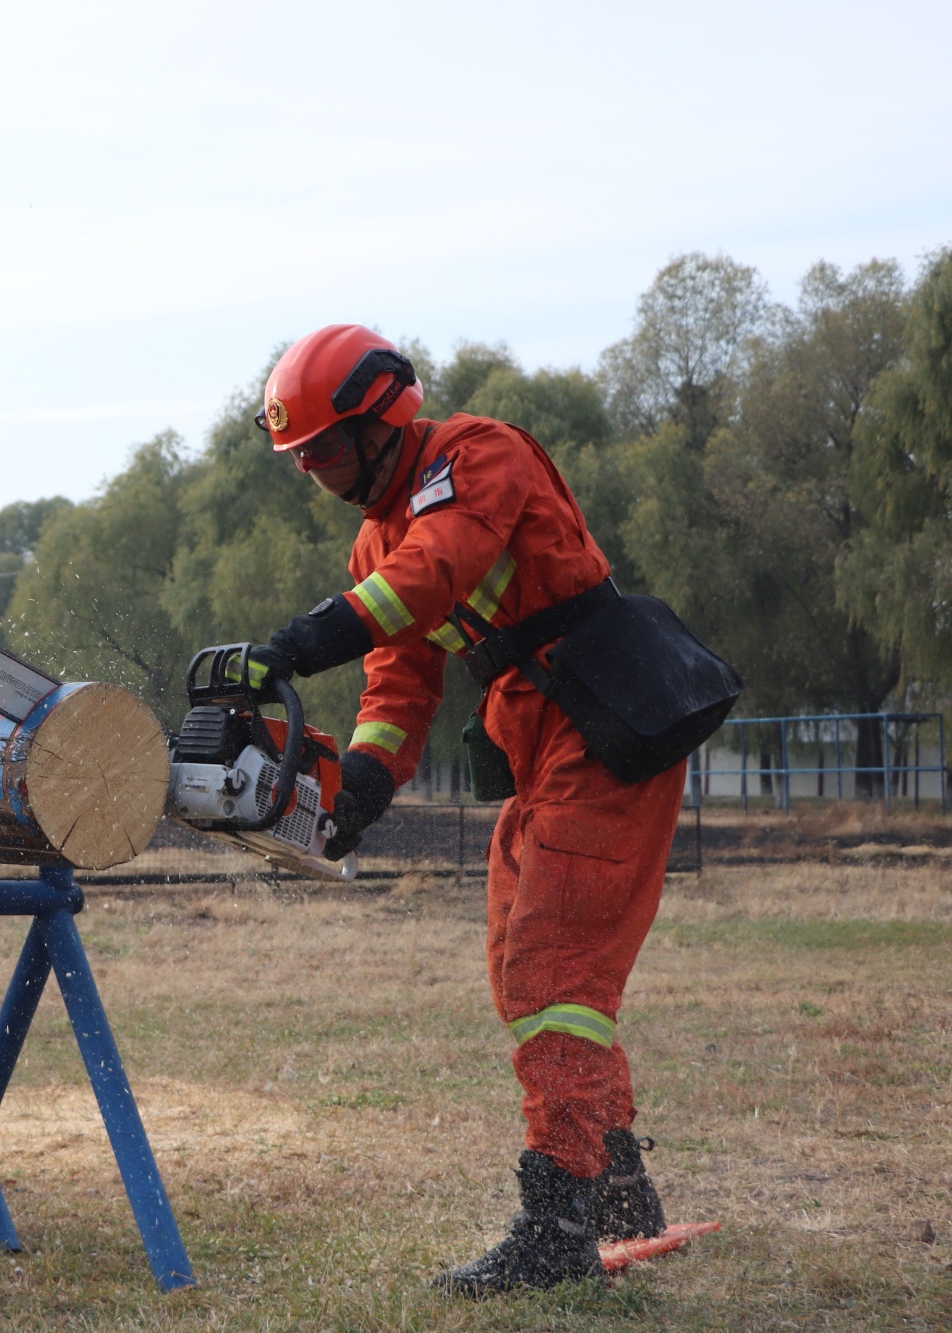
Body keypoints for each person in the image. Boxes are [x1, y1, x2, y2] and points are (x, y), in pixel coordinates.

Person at [241, 324, 685, 1295]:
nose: (312, 470)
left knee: (551, 971)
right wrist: (362, 783)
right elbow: (398, 678)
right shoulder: (376, 537)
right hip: (539, 743)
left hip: (606, 719)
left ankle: (557, 1224)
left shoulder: (479, 454)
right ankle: (615, 1185)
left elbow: (436, 569)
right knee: (518, 972)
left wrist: (303, 639)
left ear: (377, 421)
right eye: (298, 458)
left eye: (321, 450)